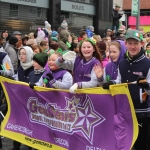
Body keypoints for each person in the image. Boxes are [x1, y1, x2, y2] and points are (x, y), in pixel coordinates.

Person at [102, 30, 150, 150]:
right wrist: (111, 83)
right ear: (126, 44)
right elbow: (119, 81)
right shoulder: (122, 62)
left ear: (142, 44)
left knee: (141, 145)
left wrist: (146, 86)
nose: (133, 46)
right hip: (124, 111)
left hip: (142, 112)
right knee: (126, 143)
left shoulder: (147, 64)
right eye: (130, 43)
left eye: (136, 43)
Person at [12, 46, 34, 150]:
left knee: (29, 124)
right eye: (20, 53)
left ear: (29, 55)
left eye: (24, 53)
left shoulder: (34, 68)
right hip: (20, 100)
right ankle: (16, 146)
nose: (21, 56)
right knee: (18, 123)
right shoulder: (20, 67)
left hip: (31, 102)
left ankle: (29, 146)